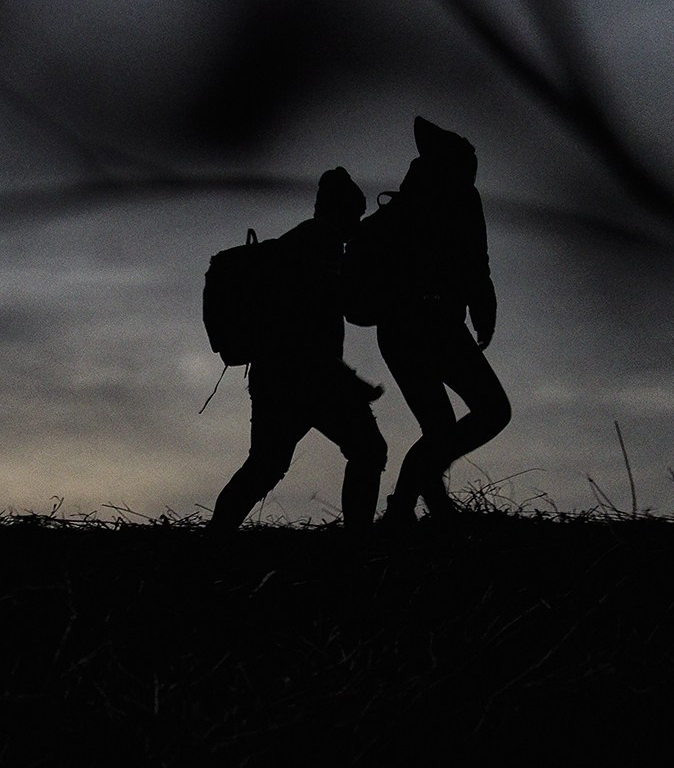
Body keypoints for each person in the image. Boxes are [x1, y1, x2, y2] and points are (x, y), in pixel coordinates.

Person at [209, 168, 388, 532]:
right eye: (355, 212)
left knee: (265, 466)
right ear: (341, 210)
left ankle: (216, 538)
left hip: (277, 373)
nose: (358, 220)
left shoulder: (304, 244)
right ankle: (359, 545)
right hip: (306, 375)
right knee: (368, 450)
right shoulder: (319, 244)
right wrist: (345, 380)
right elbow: (304, 324)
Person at [376, 117, 512, 525]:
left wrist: (479, 310)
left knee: (440, 427)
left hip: (401, 331)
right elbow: (475, 263)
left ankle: (418, 509)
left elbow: (473, 264)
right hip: (430, 327)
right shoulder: (454, 199)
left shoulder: (407, 201)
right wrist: (482, 312)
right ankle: (405, 505)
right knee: (491, 411)